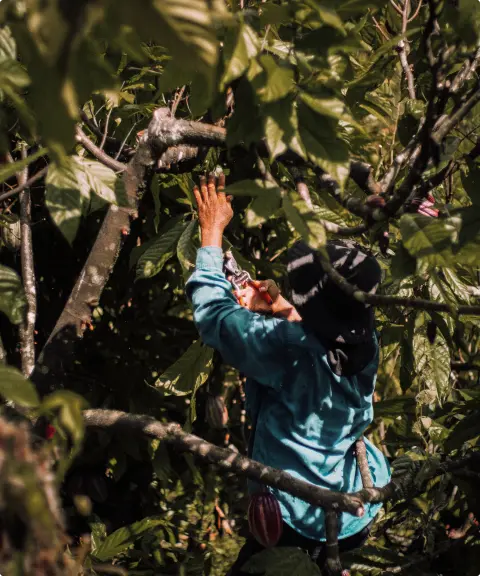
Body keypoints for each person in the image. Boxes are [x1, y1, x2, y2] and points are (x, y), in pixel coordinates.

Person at [185, 174, 391, 573]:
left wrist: (210, 236)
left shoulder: (285, 349)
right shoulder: (365, 341)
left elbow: (214, 318)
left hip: (298, 514)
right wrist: (279, 308)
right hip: (354, 504)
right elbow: (320, 342)